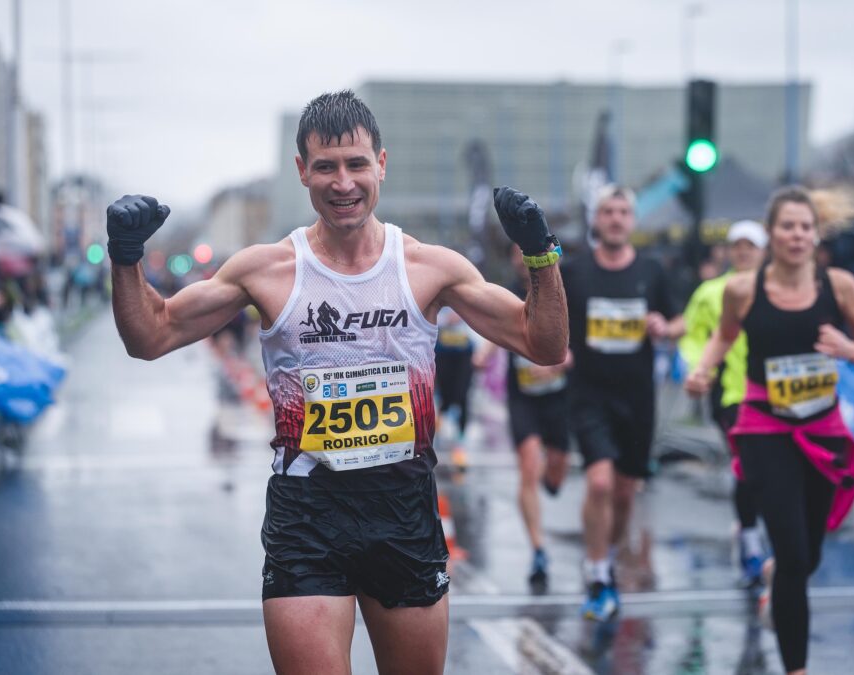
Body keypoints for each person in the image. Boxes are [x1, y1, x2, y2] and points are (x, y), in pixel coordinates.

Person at [106, 90, 568, 675]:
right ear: (302, 171)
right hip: (308, 513)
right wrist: (125, 257)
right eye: (325, 166)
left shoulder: (429, 267)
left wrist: (540, 254)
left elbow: (544, 344)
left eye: (355, 164)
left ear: (381, 163)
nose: (342, 182)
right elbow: (151, 336)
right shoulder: (267, 269)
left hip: (403, 509)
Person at [685, 186, 854, 675]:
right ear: (771, 233)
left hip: (822, 428)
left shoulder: (839, 287)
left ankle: (776, 576)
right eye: (787, 226)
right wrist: (704, 369)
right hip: (763, 427)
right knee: (794, 550)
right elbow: (725, 335)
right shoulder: (743, 289)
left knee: (807, 555)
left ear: (816, 234)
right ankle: (796, 667)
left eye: (805, 226)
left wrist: (851, 349)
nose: (797, 235)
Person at [563, 184, 682, 621]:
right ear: (596, 220)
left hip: (637, 397)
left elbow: (679, 319)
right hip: (589, 394)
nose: (615, 219)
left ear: (632, 221)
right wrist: (561, 352)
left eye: (622, 212)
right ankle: (597, 571)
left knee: (626, 493)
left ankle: (606, 554)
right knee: (599, 483)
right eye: (607, 211)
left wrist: (664, 327)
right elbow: (557, 324)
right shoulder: (575, 272)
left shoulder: (652, 270)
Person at [475, 244, 572, 588]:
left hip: (558, 398)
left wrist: (566, 358)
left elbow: (578, 338)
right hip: (524, 398)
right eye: (515, 252)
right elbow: (499, 328)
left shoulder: (561, 288)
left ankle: (554, 475)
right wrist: (485, 352)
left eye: (526, 250)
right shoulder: (509, 292)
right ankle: (538, 549)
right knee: (528, 466)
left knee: (556, 472)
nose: (520, 258)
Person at [678, 219, 768, 587]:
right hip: (730, 394)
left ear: (764, 252)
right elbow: (693, 336)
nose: (744, 251)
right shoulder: (712, 292)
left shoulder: (777, 290)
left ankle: (757, 531)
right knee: (748, 465)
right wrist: (701, 369)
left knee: (770, 470)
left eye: (751, 246)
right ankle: (750, 541)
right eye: (738, 245)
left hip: (775, 394)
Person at [434, 306, 475, 469]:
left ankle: (460, 445)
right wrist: (445, 319)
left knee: (462, 397)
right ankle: (437, 441)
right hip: (442, 354)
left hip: (464, 355)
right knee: (444, 398)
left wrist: (464, 313)